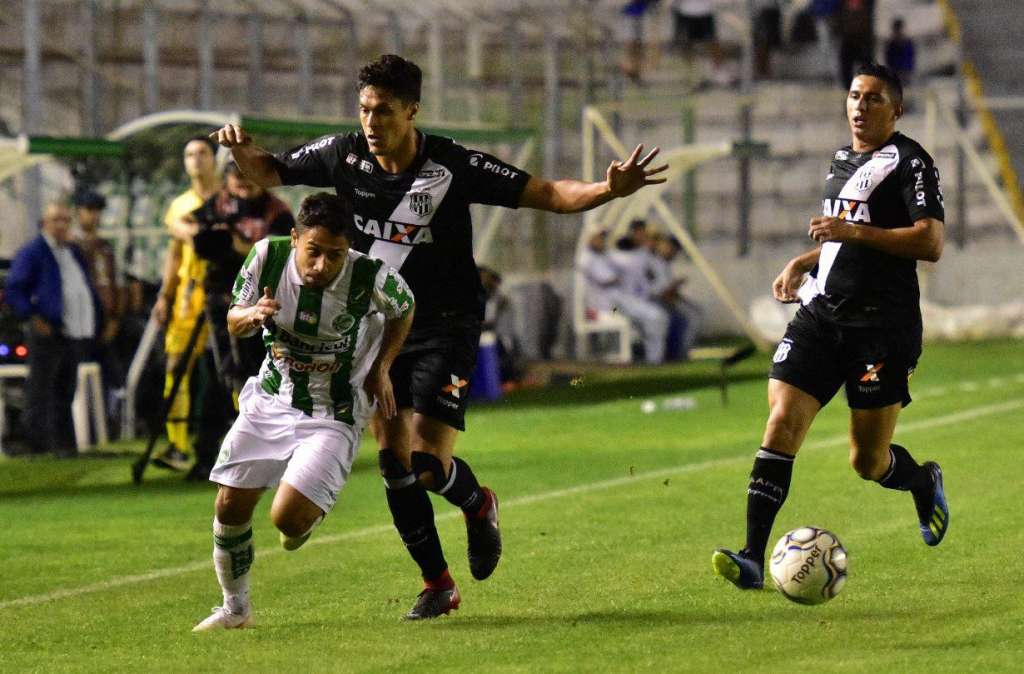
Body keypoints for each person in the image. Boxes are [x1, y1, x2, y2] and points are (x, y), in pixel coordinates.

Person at [212, 53, 666, 619]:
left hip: (445, 323)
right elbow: (271, 170)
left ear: (412, 111)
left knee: (426, 461)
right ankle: (438, 584)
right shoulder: (342, 154)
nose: (372, 122)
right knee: (394, 462)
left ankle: (477, 504)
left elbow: (548, 194)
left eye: (384, 111)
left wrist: (607, 189)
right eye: (364, 110)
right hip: (377, 326)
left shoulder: (452, 164)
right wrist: (239, 150)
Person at [712, 64, 949, 591]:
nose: (860, 107)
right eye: (854, 96)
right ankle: (752, 557)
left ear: (897, 109)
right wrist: (807, 260)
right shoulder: (842, 160)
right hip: (823, 314)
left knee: (868, 462)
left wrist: (849, 230)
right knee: (781, 422)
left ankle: (920, 479)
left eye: (873, 99)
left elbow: (929, 242)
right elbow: (845, 237)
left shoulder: (912, 162)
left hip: (881, 328)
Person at [192, 192, 415, 631]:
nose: (321, 265)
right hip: (272, 399)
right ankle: (235, 609)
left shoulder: (369, 276)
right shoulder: (266, 256)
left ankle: (303, 516)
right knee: (230, 503)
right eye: (313, 252)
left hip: (334, 413)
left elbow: (404, 308)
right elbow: (233, 317)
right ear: (295, 239)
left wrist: (381, 369)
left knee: (287, 520)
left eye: (335, 255)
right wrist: (253, 313)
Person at [187, 163, 295, 480]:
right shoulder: (218, 204)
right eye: (236, 179)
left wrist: (238, 246)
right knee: (223, 374)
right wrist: (204, 234)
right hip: (221, 300)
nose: (243, 186)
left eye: (248, 178)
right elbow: (187, 226)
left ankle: (270, 451)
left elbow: (280, 252)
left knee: (263, 373)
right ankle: (208, 453)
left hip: (264, 303)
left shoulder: (276, 211)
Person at [6, 201, 103, 457]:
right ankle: (36, 443)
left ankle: (63, 443)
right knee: (41, 388)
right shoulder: (34, 252)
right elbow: (15, 288)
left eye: (65, 220)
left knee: (66, 388)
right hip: (48, 330)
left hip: (73, 331)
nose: (61, 225)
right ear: (45, 224)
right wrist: (32, 316)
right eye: (56, 220)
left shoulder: (72, 251)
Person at [151, 136, 221, 472]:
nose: (195, 160)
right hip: (189, 293)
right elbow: (175, 254)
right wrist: (165, 295)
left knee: (234, 371)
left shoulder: (229, 199)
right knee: (176, 366)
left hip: (226, 289)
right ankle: (177, 444)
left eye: (202, 153)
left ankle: (250, 439)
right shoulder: (179, 205)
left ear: (214, 159)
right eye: (189, 154)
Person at [580, 227, 669, 364]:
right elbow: (612, 279)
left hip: (616, 304)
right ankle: (652, 359)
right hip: (606, 308)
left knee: (655, 317)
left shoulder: (602, 256)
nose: (602, 241)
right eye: (599, 238)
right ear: (590, 238)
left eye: (603, 238)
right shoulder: (588, 257)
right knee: (654, 317)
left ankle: (653, 359)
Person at [73, 188, 124, 424]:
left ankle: (107, 420)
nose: (94, 216)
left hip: (104, 319)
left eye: (97, 211)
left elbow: (116, 282)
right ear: (78, 212)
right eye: (89, 210)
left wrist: (114, 319)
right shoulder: (71, 246)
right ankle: (83, 425)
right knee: (78, 372)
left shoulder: (105, 247)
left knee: (106, 373)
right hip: (79, 318)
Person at [836, 0, 875, 89]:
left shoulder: (867, 4)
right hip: (848, 38)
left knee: (866, 65)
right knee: (846, 66)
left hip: (862, 38)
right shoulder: (842, 5)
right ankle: (848, 87)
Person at [884, 18, 915, 86]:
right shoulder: (891, 44)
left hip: (905, 72)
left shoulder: (908, 43)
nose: (898, 31)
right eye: (896, 29)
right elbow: (888, 59)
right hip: (895, 72)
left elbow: (911, 58)